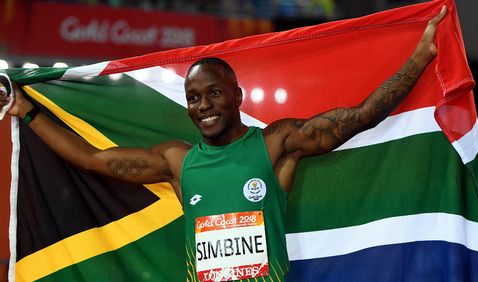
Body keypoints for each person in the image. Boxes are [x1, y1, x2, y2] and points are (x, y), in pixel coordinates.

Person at [0, 6, 446, 282]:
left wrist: (420, 57)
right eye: (194, 98)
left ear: (237, 96)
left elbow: (361, 117)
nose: (203, 106)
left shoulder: (277, 144)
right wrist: (28, 110)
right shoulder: (177, 161)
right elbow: (94, 161)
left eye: (214, 93)